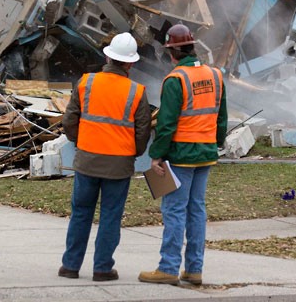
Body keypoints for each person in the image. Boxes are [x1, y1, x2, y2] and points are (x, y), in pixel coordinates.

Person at [59, 32, 152, 282]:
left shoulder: (86, 83)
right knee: (110, 216)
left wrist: (80, 142)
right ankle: (102, 268)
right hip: (119, 165)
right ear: (130, 64)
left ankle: (70, 266)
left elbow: (69, 121)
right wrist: (134, 152)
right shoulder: (137, 91)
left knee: (81, 213)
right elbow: (143, 131)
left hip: (87, 160)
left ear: (108, 57)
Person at [139, 24, 227, 286]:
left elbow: (166, 124)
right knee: (196, 210)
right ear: (192, 47)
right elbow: (221, 117)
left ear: (171, 53)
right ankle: (194, 269)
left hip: (181, 155)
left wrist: (156, 154)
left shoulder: (175, 80)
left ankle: (168, 268)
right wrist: (215, 143)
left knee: (174, 210)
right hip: (205, 153)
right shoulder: (215, 75)